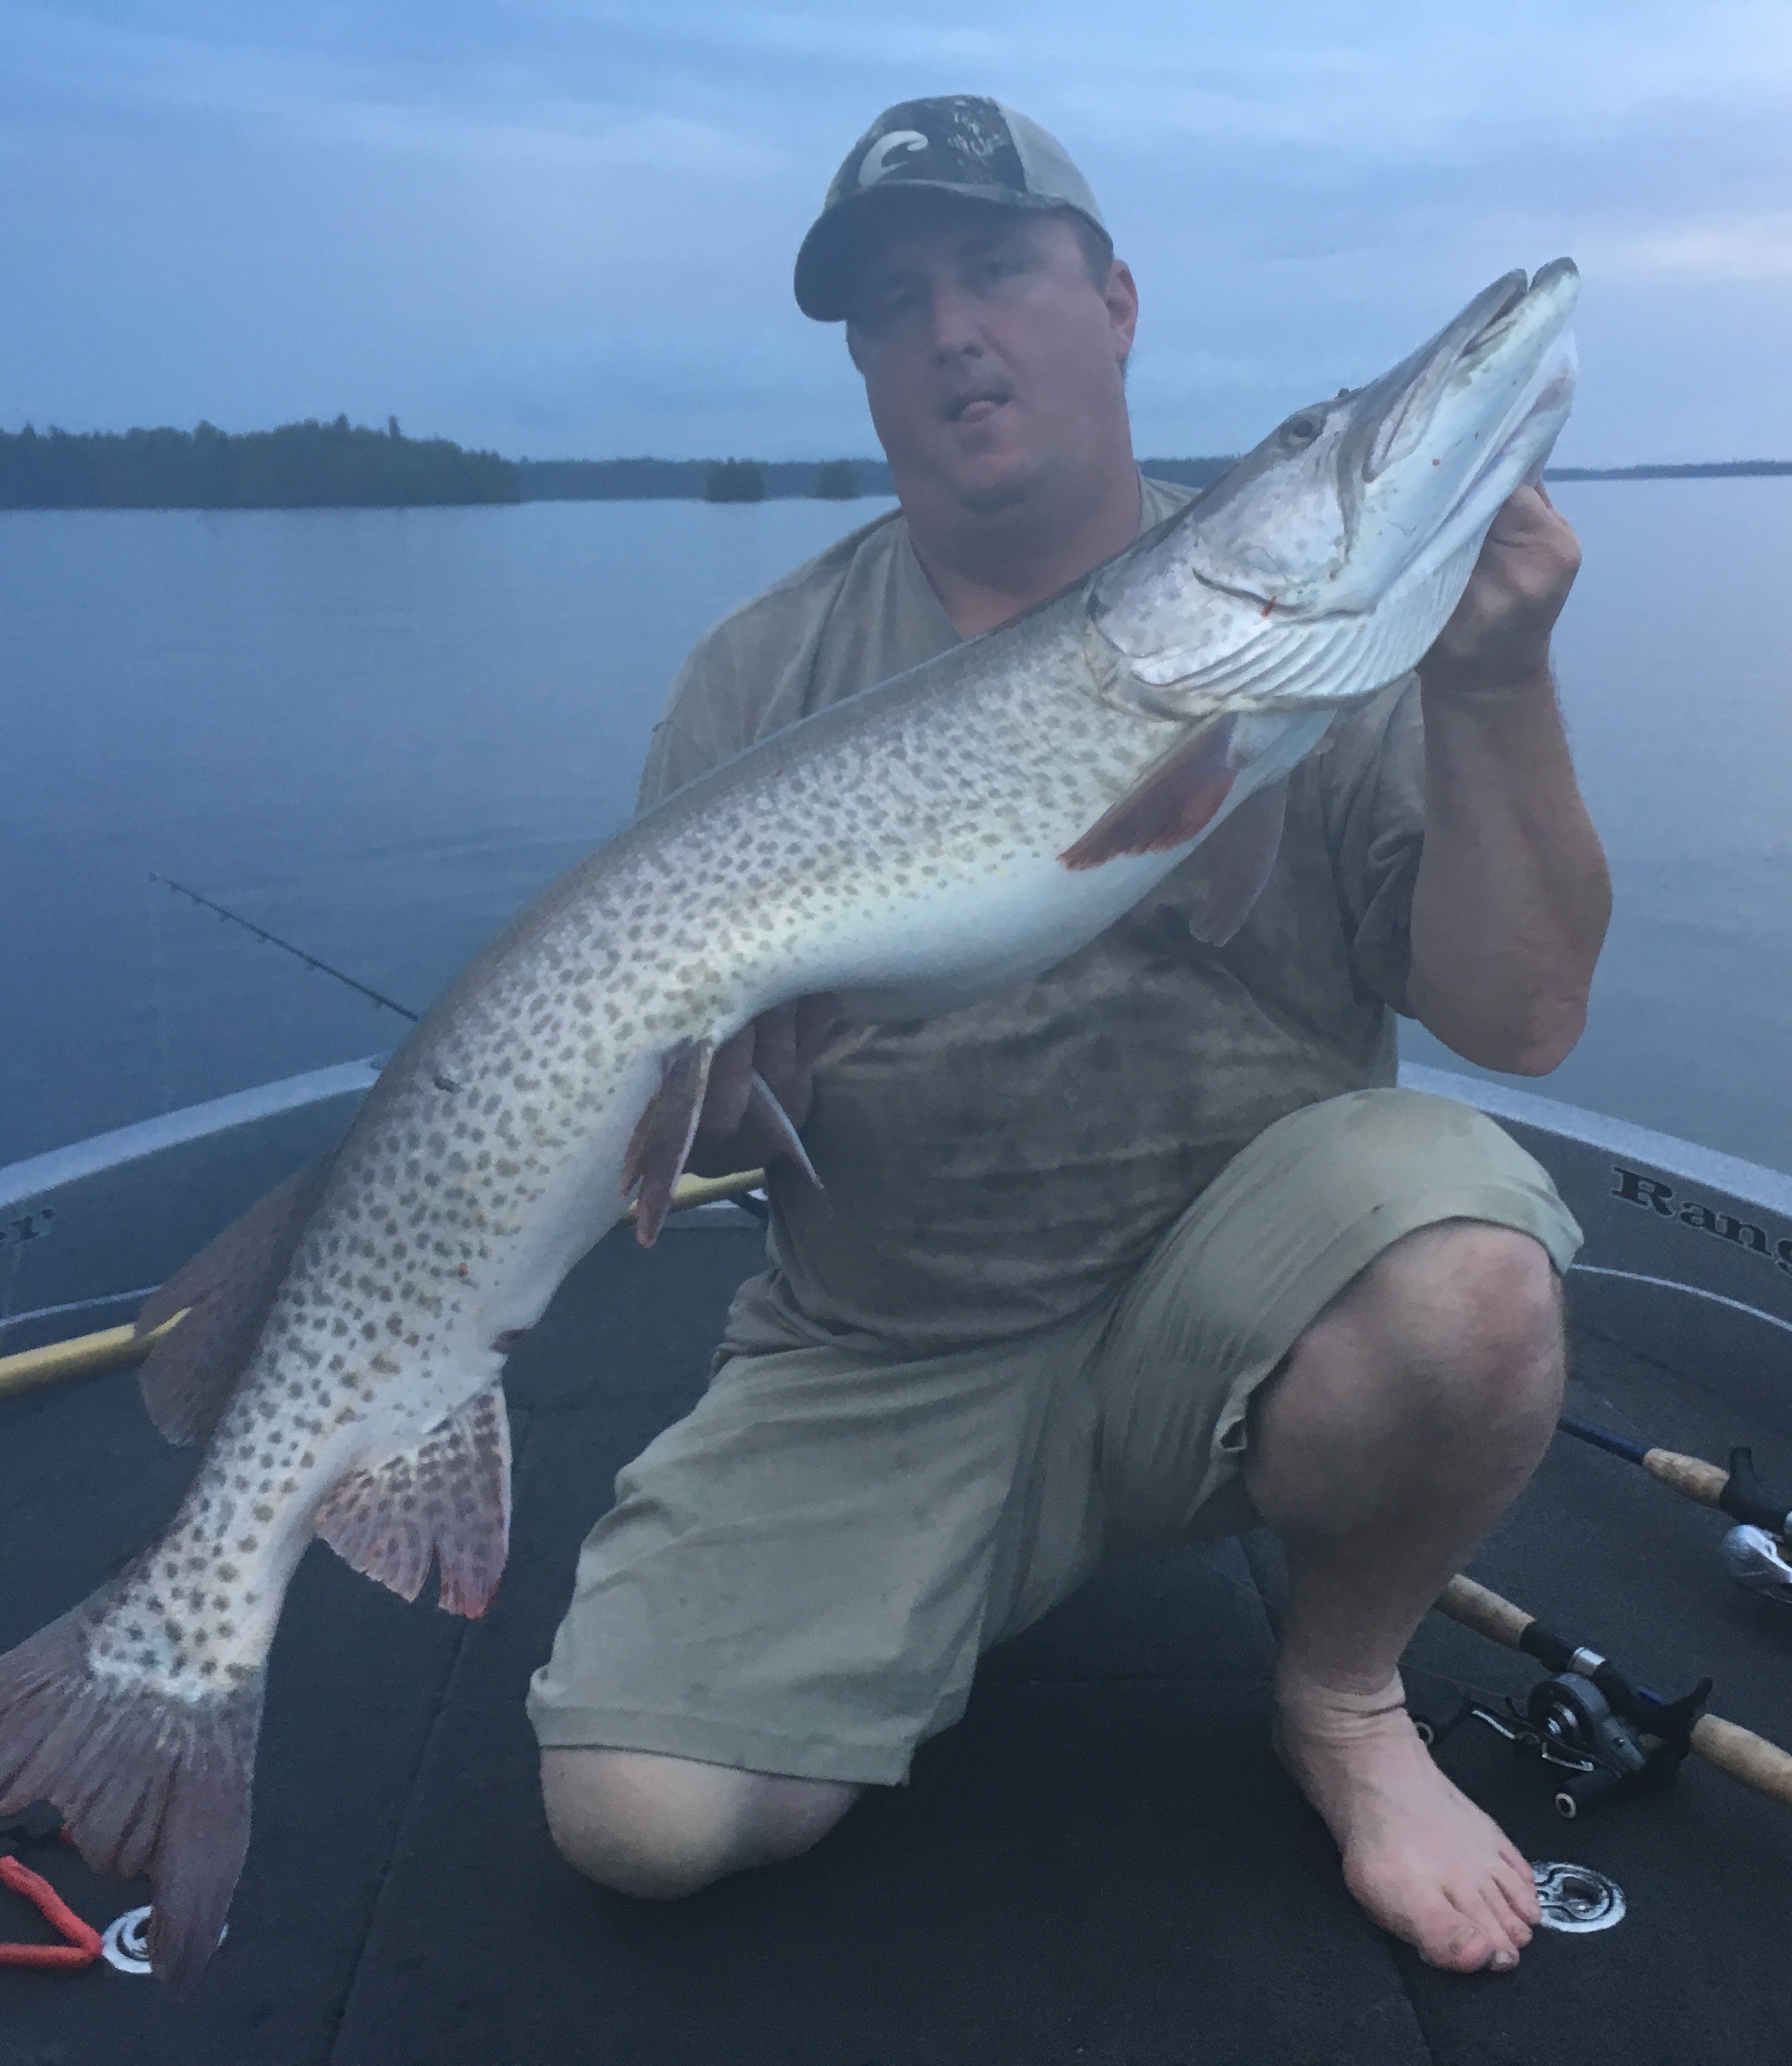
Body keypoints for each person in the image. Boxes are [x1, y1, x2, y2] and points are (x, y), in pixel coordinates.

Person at [527, 96, 1611, 1977]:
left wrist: (1499, 674)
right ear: (867, 370)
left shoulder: (1322, 636)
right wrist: (718, 1107)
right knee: (640, 1820)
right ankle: (937, 1579)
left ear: (1114, 302)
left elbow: (1522, 1019)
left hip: (1248, 1313)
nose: (951, 329)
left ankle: (1344, 1700)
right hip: (888, 1344)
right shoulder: (758, 678)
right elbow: (678, 1148)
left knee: (1472, 1280)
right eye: (893, 304)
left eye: (999, 268)